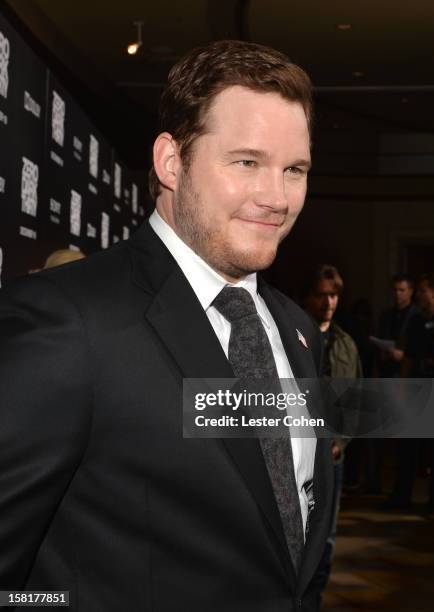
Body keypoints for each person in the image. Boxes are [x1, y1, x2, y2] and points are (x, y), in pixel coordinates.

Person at [0, 40, 333, 611]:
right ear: (171, 162)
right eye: (247, 162)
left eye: (294, 169)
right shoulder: (67, 322)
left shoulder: (295, 329)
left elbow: (290, 531)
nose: (276, 197)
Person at [302, 264, 362, 591]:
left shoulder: (346, 344)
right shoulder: (288, 335)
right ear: (308, 297)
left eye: (334, 295)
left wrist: (341, 441)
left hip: (332, 454)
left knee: (326, 535)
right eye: (321, 295)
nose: (328, 302)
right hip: (296, 451)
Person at [383, 274, 434, 512]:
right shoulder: (416, 322)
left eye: (423, 291)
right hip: (416, 388)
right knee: (408, 447)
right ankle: (401, 496)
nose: (420, 295)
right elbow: (410, 358)